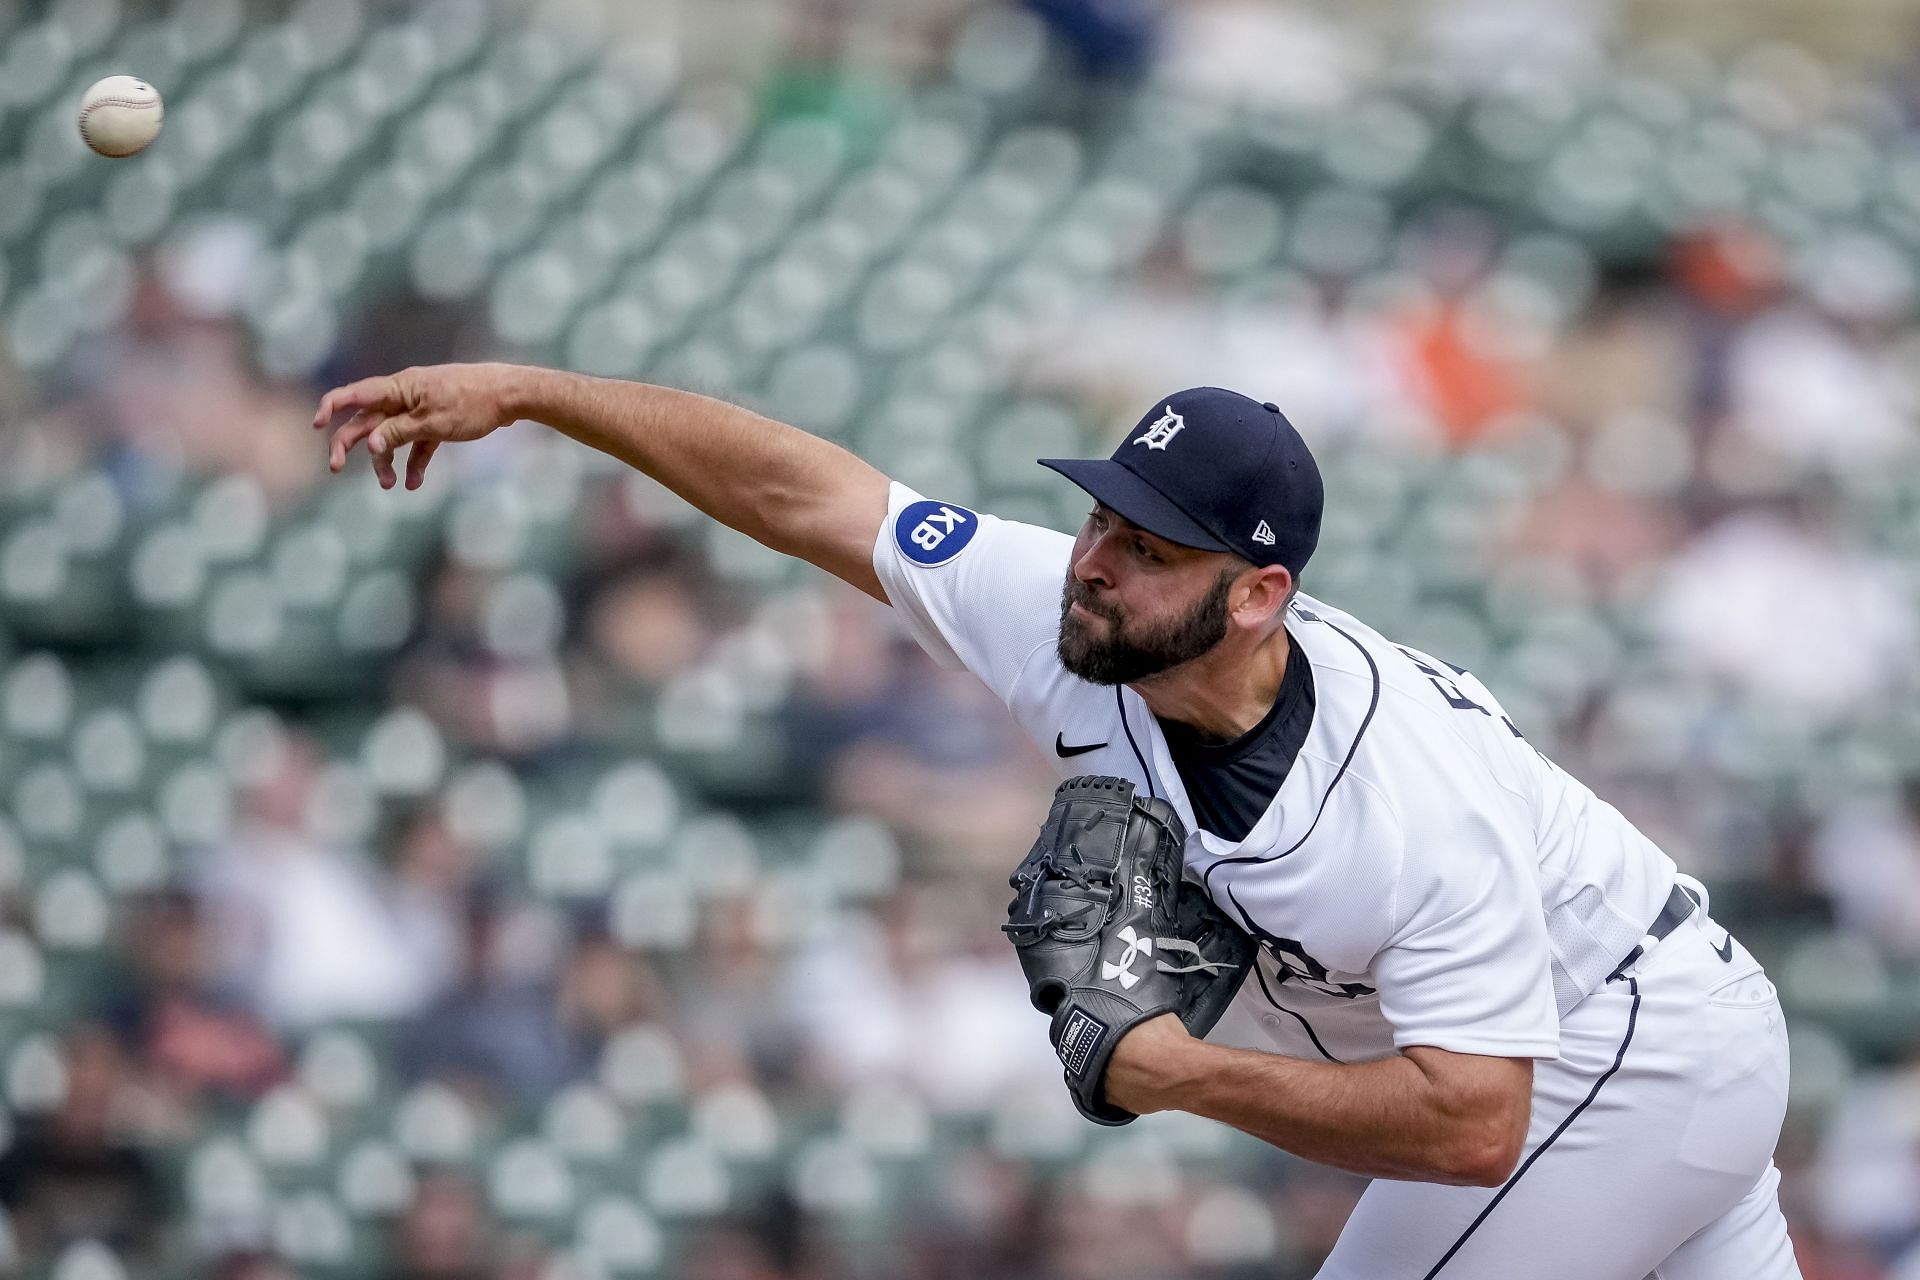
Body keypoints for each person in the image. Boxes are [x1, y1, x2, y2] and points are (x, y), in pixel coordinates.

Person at [314, 365, 1800, 1278]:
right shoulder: (1068, 610)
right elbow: (810, 497)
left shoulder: (1405, 805)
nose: (1094, 563)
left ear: (1260, 594)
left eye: (1148, 549)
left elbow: (1478, 1126)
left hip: (1622, 1051)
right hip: (1645, 1045)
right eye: (1099, 516)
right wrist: (540, 393)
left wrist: (1174, 1073)